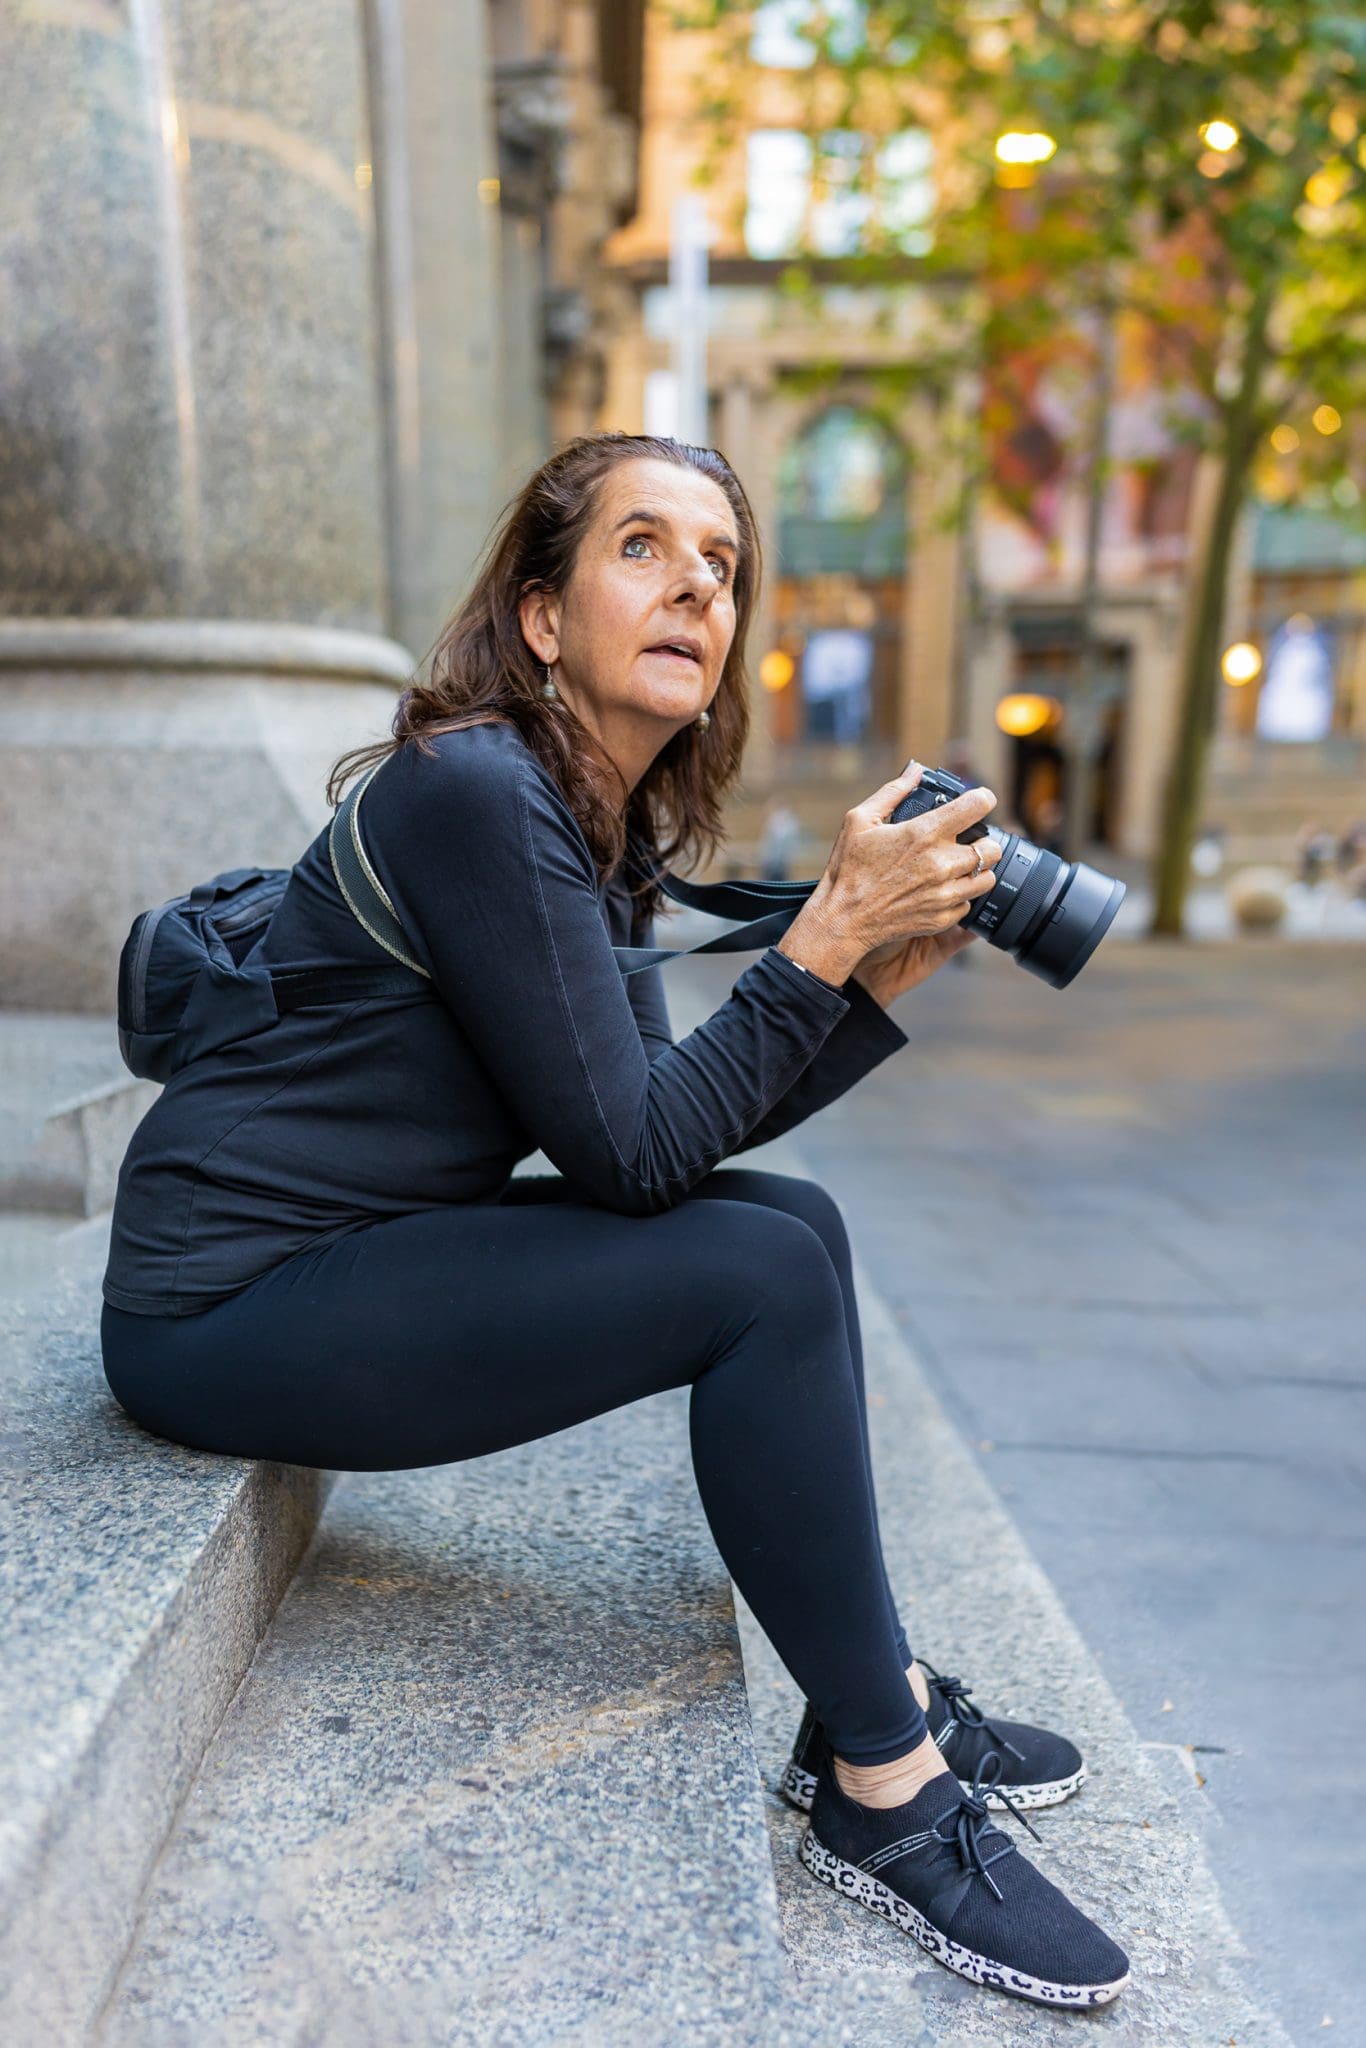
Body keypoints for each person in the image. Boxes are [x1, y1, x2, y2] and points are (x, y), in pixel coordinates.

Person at [100, 432, 1128, 2010]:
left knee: (791, 1233)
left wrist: (848, 988)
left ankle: (876, 1693)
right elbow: (637, 1165)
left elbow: (638, 1138)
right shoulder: (473, 791)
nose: (695, 589)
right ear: (537, 618)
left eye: (719, 570)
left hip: (356, 1255)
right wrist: (820, 949)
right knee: (758, 1268)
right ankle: (884, 1791)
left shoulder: (584, 820)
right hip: (228, 1305)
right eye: (643, 550)